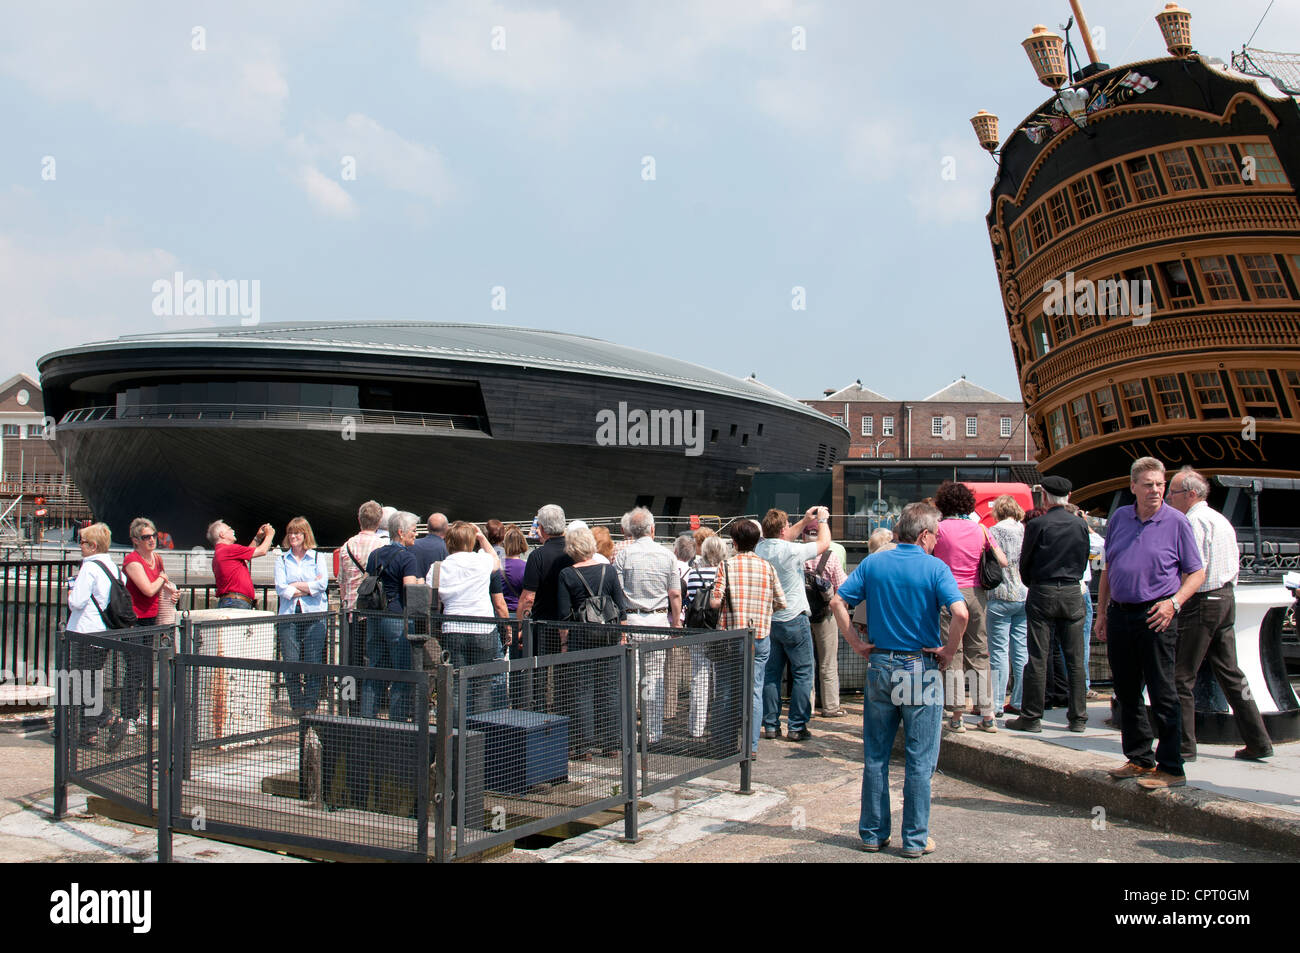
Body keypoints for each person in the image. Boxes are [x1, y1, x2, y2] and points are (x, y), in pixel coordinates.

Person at [829, 502, 968, 858]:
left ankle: (873, 834)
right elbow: (960, 613)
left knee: (875, 754)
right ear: (924, 535)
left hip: (880, 666)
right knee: (919, 759)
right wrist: (949, 651)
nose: (937, 541)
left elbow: (836, 602)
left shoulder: (874, 562)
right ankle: (915, 840)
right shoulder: (936, 568)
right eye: (935, 535)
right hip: (919, 667)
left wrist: (857, 643)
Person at [1095, 457, 1205, 789]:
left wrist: (1174, 603)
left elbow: (1197, 572)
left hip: (1156, 616)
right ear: (1133, 487)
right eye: (1148, 484)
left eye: (1160, 484)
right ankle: (1140, 758)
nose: (1156, 490)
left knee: (1163, 691)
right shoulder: (1119, 519)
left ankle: (1171, 766)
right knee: (1126, 690)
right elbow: (1108, 569)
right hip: (1120, 614)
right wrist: (1101, 613)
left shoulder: (1177, 522)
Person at [1166, 467, 1272, 761]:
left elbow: (1193, 568)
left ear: (1190, 494)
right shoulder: (1220, 519)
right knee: (1230, 673)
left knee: (1182, 676)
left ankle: (1184, 746)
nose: (1167, 499)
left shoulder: (1194, 521)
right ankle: (1259, 740)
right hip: (1225, 597)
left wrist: (1174, 599)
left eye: (1171, 493)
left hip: (1202, 601)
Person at [1007, 475, 1091, 733]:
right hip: (1071, 589)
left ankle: (1032, 716)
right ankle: (1077, 717)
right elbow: (1084, 556)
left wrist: (1034, 582)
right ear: (1068, 496)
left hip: (1043, 588)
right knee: (1075, 658)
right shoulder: (1079, 524)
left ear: (1044, 496)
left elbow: (1026, 562)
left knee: (1038, 656)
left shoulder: (1038, 524)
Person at [932, 481, 1007, 733]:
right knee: (979, 652)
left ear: (943, 504)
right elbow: (1002, 561)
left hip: (948, 596)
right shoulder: (981, 530)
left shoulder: (938, 530)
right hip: (977, 595)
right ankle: (987, 714)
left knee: (951, 653)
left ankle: (956, 715)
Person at [711, 518, 787, 759]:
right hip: (760, 635)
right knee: (755, 690)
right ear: (757, 542)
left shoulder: (727, 566)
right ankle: (750, 746)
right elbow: (781, 602)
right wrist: (764, 611)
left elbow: (714, 601)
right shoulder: (767, 567)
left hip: (732, 635)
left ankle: (724, 743)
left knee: (726, 689)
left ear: (734, 542)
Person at [755, 506, 829, 742]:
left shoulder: (759, 548)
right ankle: (796, 725)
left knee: (771, 674)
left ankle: (770, 724)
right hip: (794, 617)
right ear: (784, 529)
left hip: (770, 620)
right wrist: (822, 521)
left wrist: (805, 520)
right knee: (803, 672)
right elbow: (823, 544)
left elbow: (780, 536)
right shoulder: (792, 550)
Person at [557, 524, 630, 759]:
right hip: (608, 636)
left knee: (582, 690)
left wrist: (564, 644)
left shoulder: (567, 574)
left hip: (581, 636)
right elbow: (621, 607)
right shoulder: (608, 570)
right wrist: (622, 635)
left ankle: (584, 745)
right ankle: (611, 744)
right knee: (610, 688)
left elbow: (564, 615)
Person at [613, 507, 682, 745]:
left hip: (631, 622)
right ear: (653, 529)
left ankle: (628, 731)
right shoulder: (667, 555)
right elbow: (674, 593)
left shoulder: (623, 556)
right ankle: (652, 733)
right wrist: (678, 623)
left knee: (629, 681)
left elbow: (618, 593)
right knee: (653, 680)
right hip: (658, 622)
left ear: (631, 531)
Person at [435, 521, 509, 715]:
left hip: (452, 628)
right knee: (482, 686)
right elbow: (496, 560)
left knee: (456, 686)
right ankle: (479, 736)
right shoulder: (480, 561)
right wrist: (482, 537)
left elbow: (432, 598)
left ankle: (455, 735)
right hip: (482, 628)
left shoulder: (438, 568)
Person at [361, 511, 422, 721]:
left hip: (375, 616)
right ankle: (397, 723)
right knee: (402, 672)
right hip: (397, 618)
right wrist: (421, 584)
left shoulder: (375, 554)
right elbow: (410, 590)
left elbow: (369, 580)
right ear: (400, 532)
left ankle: (367, 719)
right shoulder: (407, 557)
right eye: (413, 531)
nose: (415, 534)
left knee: (375, 671)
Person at [121, 517, 179, 734]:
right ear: (136, 540)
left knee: (145, 668)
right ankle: (127, 716)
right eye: (146, 537)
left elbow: (159, 587)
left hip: (151, 618)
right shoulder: (132, 561)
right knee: (134, 668)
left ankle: (136, 712)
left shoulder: (157, 558)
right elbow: (147, 589)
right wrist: (161, 579)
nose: (152, 540)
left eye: (154, 535)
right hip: (133, 620)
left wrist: (170, 590)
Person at [66, 523, 118, 746]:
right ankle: (88, 732)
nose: (80, 546)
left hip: (84, 632)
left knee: (80, 682)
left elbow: (77, 602)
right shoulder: (114, 568)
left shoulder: (89, 567)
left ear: (93, 545)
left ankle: (109, 719)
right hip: (104, 632)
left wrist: (70, 592)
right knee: (91, 680)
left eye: (83, 542)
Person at [274, 516, 331, 716]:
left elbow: (322, 586)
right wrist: (307, 588)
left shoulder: (317, 558)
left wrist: (296, 585)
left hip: (314, 614)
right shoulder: (281, 559)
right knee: (291, 660)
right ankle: (297, 703)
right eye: (290, 532)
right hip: (289, 614)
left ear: (305, 534)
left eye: (297, 532)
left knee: (313, 661)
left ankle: (311, 703)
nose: (293, 536)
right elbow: (281, 589)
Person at [986, 495, 1028, 719]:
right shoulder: (1025, 530)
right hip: (1023, 593)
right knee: (1021, 649)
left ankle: (998, 703)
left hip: (1000, 594)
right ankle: (1020, 700)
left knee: (999, 651)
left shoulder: (993, 532)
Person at [801, 521, 848, 717]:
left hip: (801, 614)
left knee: (805, 662)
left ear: (804, 536)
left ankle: (807, 707)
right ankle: (830, 706)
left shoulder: (798, 555)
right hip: (826, 615)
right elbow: (843, 587)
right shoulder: (832, 557)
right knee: (828, 662)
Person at [685, 535, 727, 738]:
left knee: (699, 678)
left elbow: (691, 600)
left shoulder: (694, 574)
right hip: (720, 629)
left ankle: (696, 727)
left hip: (699, 629)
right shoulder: (726, 572)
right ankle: (720, 726)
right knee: (722, 680)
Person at [338, 501, 387, 668]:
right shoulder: (382, 546)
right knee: (374, 659)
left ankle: (353, 692)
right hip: (375, 610)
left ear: (359, 520)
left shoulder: (347, 546)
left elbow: (342, 581)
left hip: (352, 610)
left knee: (353, 659)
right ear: (379, 521)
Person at [209, 519, 275, 609]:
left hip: (232, 601)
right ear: (222, 535)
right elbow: (262, 551)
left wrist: (258, 538)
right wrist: (270, 534)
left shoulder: (220, 552)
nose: (233, 531)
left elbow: (245, 559)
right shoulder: (229, 549)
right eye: (229, 529)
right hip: (236, 602)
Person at [412, 511, 450, 579]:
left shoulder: (411, 545)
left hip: (413, 587)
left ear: (427, 527)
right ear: (447, 529)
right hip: (435, 588)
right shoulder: (448, 549)